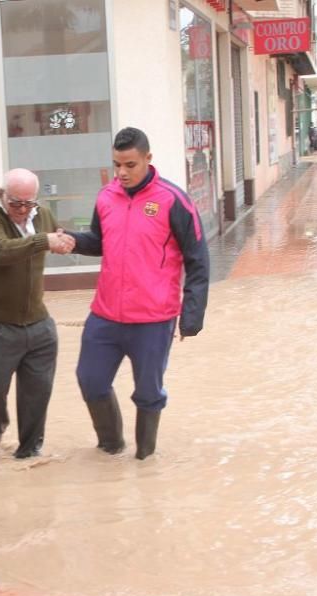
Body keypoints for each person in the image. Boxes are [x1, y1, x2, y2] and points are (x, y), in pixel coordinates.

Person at [69, 127, 209, 460]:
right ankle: (111, 447)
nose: (122, 173)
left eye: (130, 165)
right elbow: (98, 241)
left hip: (153, 319)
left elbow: (198, 259)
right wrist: (70, 240)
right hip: (105, 315)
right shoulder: (106, 197)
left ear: (148, 158)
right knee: (90, 380)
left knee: (148, 393)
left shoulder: (173, 200)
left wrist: (191, 315)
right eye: (117, 164)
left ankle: (144, 458)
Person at [0, 168, 74, 459]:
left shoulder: (40, 214)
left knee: (37, 395)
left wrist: (64, 241)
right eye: (16, 203)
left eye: (29, 203)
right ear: (2, 194)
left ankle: (29, 452)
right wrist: (44, 241)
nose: (23, 210)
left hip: (38, 323)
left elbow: (57, 235)